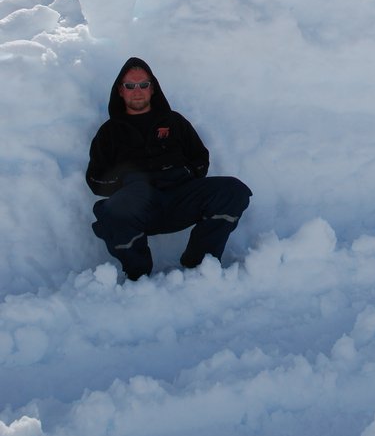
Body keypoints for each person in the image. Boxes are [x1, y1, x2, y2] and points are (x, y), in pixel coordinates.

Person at [86, 56, 252, 280]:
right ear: (120, 90)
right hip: (140, 207)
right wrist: (128, 183)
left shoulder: (174, 122)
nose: (138, 90)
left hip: (181, 198)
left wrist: (181, 174)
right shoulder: (109, 133)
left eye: (143, 84)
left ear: (152, 88)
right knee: (109, 212)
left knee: (233, 191)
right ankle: (139, 275)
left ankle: (200, 264)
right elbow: (96, 181)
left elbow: (200, 158)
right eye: (130, 86)